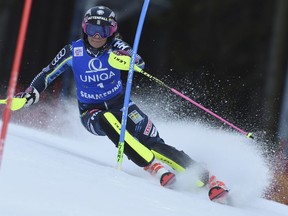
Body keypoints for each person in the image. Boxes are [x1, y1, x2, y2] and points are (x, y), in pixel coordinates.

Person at [16, 6, 229, 202]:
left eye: (103, 31)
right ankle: (152, 166)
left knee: (153, 142)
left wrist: (129, 61)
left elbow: (138, 61)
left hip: (122, 105)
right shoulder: (74, 51)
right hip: (91, 113)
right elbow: (47, 73)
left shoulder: (117, 46)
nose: (97, 36)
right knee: (107, 119)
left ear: (112, 31)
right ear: (84, 29)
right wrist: (30, 94)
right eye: (92, 29)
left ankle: (208, 178)